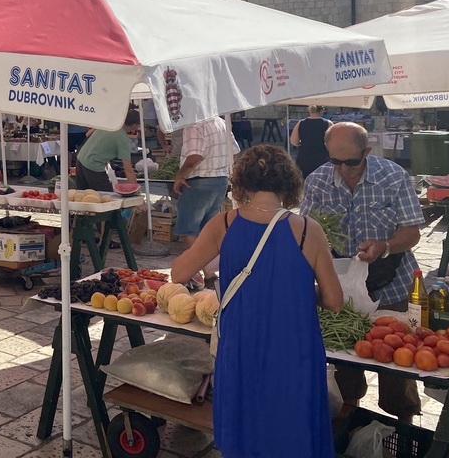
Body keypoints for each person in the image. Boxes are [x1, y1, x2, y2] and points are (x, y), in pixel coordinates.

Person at [172, 145, 342, 458]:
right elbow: (334, 300)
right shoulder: (308, 230)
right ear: (289, 184)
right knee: (293, 430)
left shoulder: (223, 224)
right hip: (295, 350)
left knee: (246, 428)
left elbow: (178, 272)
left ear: (240, 183)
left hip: (240, 347)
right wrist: (294, 290)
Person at [300, 121, 424, 423]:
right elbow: (306, 230)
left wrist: (384, 246)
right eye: (335, 161)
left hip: (391, 280)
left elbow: (412, 232)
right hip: (342, 283)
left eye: (351, 162)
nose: (343, 169)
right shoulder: (317, 181)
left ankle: (403, 426)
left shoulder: (393, 177)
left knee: (398, 358)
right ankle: (348, 418)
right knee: (345, 359)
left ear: (366, 151)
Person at [172, 115, 232, 271]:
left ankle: (207, 272)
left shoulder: (194, 125)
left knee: (188, 230)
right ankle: (215, 269)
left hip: (199, 182)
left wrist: (179, 175)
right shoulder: (221, 122)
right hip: (220, 181)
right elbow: (235, 152)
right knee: (208, 231)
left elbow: (194, 157)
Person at [74, 107, 138, 191]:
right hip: (93, 164)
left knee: (83, 195)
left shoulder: (110, 124)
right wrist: (136, 192)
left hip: (81, 158)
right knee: (107, 196)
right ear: (134, 125)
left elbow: (89, 135)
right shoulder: (123, 139)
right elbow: (128, 169)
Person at [290, 105, 332, 177]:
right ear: (322, 110)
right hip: (322, 157)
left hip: (304, 157)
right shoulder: (328, 123)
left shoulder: (301, 123)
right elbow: (333, 142)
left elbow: (293, 141)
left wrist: (304, 143)